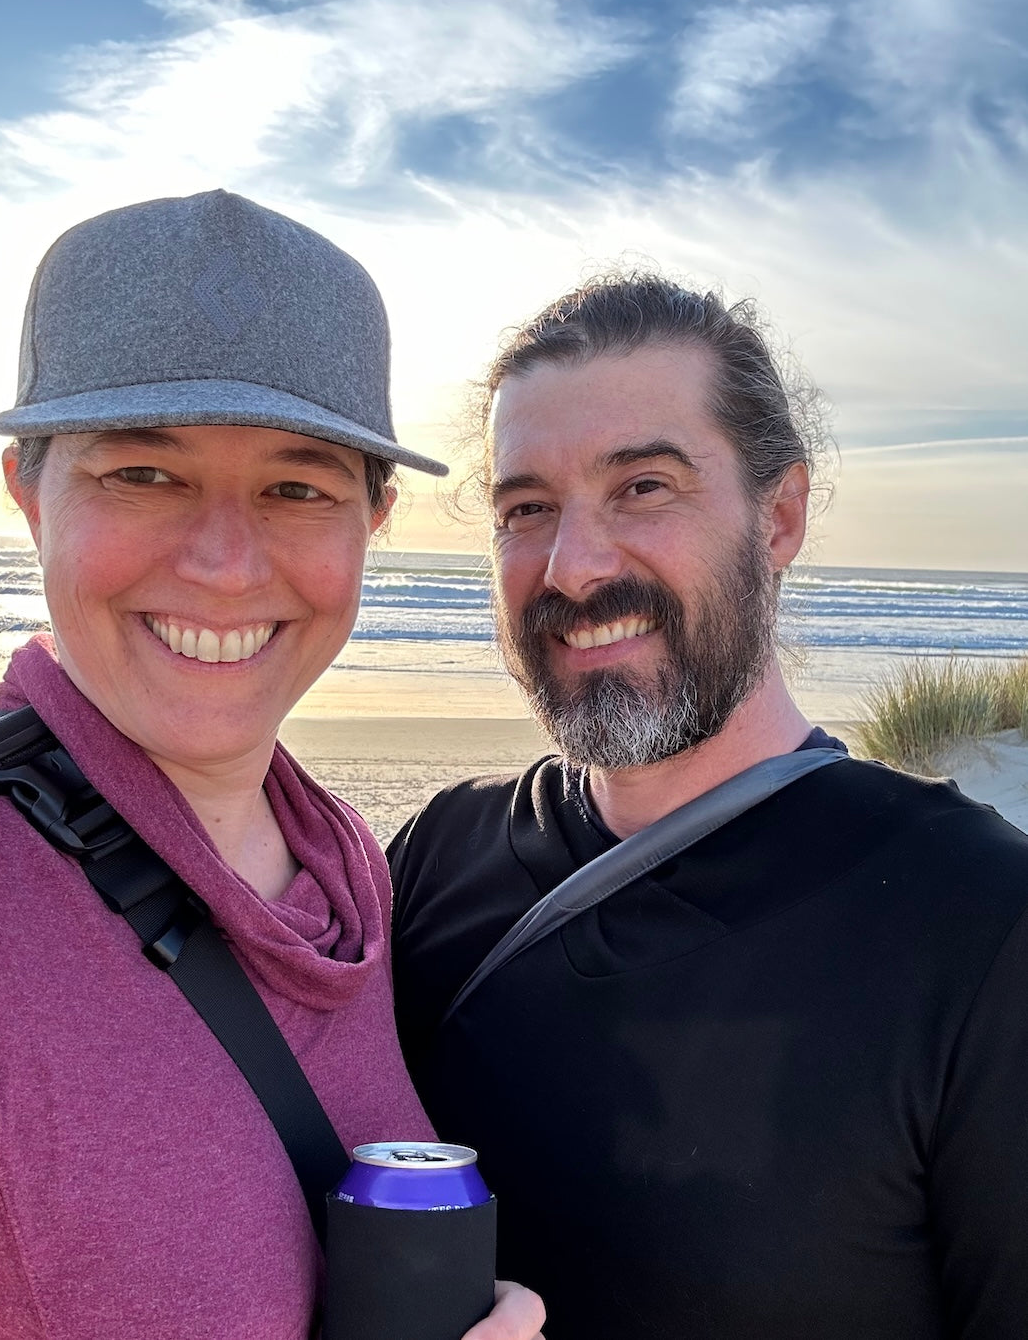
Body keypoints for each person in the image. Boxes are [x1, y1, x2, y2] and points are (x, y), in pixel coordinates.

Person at [0, 192, 543, 1340]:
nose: (227, 565)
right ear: (26, 490)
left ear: (371, 519)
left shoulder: (344, 872)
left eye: (298, 487)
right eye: (142, 473)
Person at [389, 273, 1028, 1339]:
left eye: (642, 486)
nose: (571, 565)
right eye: (524, 508)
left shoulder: (978, 923)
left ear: (776, 515)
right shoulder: (430, 859)